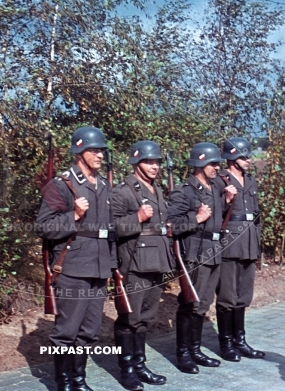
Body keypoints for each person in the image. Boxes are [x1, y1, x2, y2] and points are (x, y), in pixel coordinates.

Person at [35, 126, 117, 391]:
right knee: (66, 331)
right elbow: (44, 226)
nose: (100, 155)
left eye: (101, 151)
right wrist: (75, 216)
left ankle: (78, 379)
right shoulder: (61, 185)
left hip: (99, 266)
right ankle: (63, 382)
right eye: (94, 150)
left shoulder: (104, 185)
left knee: (89, 330)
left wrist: (113, 265)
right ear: (79, 152)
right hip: (72, 267)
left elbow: (109, 231)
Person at [167, 142, 236, 374]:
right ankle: (184, 354)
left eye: (218, 163)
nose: (217, 167)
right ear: (200, 163)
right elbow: (172, 225)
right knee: (190, 304)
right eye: (213, 163)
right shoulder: (184, 191)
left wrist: (226, 202)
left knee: (204, 303)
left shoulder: (215, 187)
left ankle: (195, 350)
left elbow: (218, 217)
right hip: (195, 252)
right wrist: (195, 219)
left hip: (214, 250)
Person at [111, 141, 174, 390]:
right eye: (149, 161)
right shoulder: (123, 191)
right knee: (129, 319)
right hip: (134, 264)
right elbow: (111, 229)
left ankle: (139, 364)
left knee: (145, 318)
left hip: (156, 261)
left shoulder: (157, 190)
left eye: (157, 162)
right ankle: (126, 369)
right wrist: (136, 219)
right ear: (136, 163)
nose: (154, 166)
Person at [214, 137, 265, 361]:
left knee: (244, 294)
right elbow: (214, 213)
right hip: (228, 244)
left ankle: (240, 340)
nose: (249, 160)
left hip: (249, 242)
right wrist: (226, 199)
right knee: (226, 296)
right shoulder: (219, 180)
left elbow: (257, 215)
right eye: (245, 157)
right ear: (233, 157)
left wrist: (258, 241)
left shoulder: (250, 181)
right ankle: (226, 343)